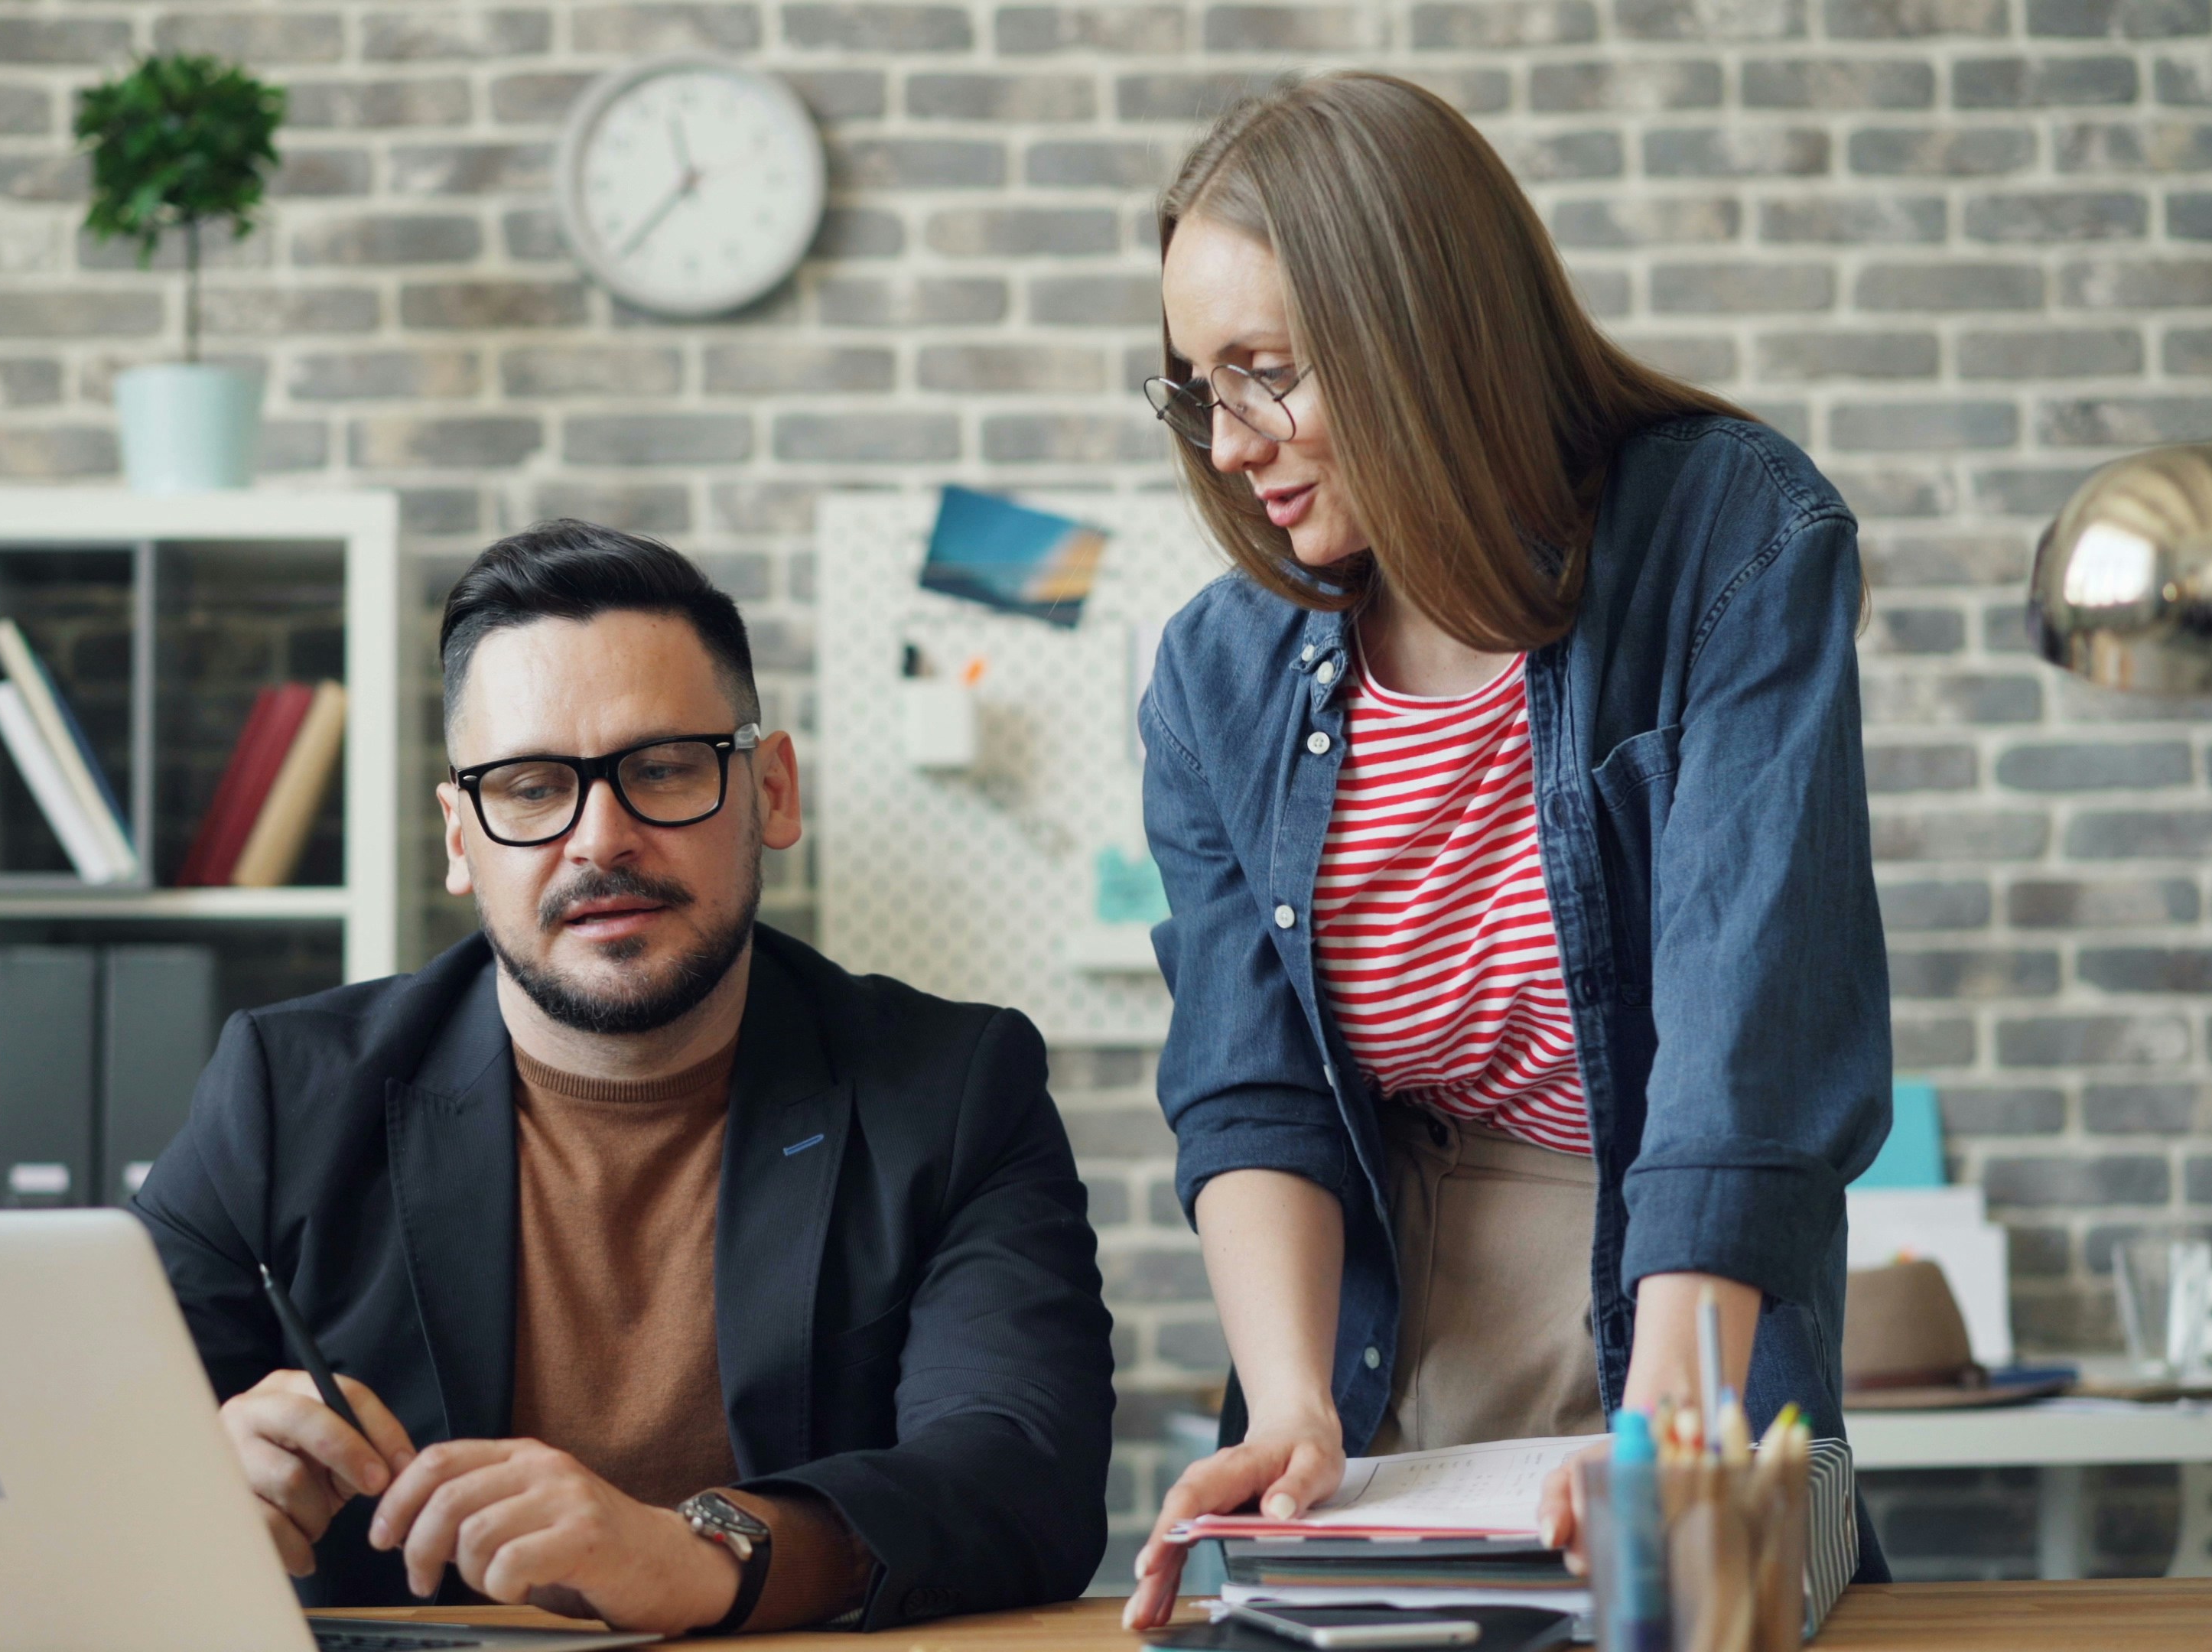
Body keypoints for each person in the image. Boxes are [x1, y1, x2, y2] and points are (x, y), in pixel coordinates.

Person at [1120, 73, 1894, 1628]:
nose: (1226, 441)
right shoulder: (1216, 673)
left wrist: (1668, 1426)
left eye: (1266, 374)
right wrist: (1288, 1412)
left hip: (1680, 1288)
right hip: (1373, 1326)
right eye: (1196, 386)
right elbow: (1249, 1081)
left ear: (1418, 330)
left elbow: (1752, 1020)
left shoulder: (1728, 536)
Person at [135, 522, 1113, 1634]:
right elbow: (77, 1437)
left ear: (772, 793)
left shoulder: (951, 1088)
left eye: (662, 769)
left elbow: (1022, 1475)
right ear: (460, 837)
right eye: (532, 786)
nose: (602, 837)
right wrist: (182, 1479)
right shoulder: (285, 1090)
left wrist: (699, 1550)